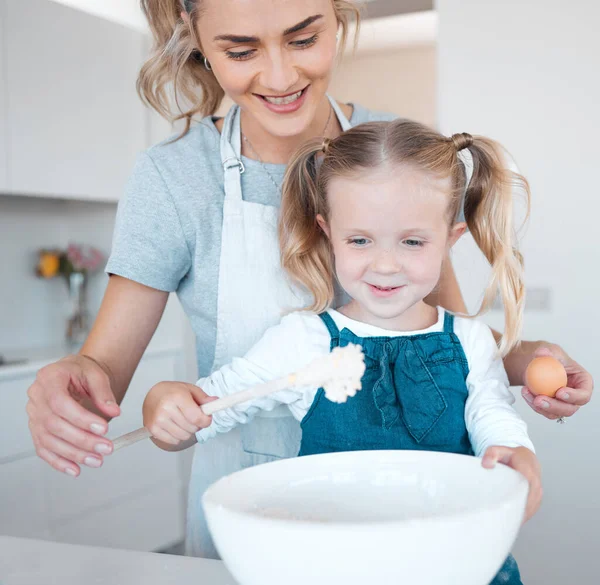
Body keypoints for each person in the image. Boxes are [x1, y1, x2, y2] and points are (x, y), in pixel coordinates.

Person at [25, 0, 590, 560]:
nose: (279, 76)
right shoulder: (174, 178)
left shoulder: (392, 152)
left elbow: (442, 339)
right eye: (240, 49)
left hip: (413, 521)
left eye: (302, 39)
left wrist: (526, 360)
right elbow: (107, 375)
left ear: (338, 14)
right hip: (257, 518)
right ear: (191, 32)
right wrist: (76, 382)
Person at [142, 119, 542, 585]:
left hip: (458, 567)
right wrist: (166, 408)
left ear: (450, 241)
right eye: (360, 240)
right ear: (328, 233)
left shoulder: (471, 342)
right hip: (333, 568)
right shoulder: (303, 342)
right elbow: (206, 412)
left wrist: (514, 451)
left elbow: (494, 417)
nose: (385, 264)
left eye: (412, 241)